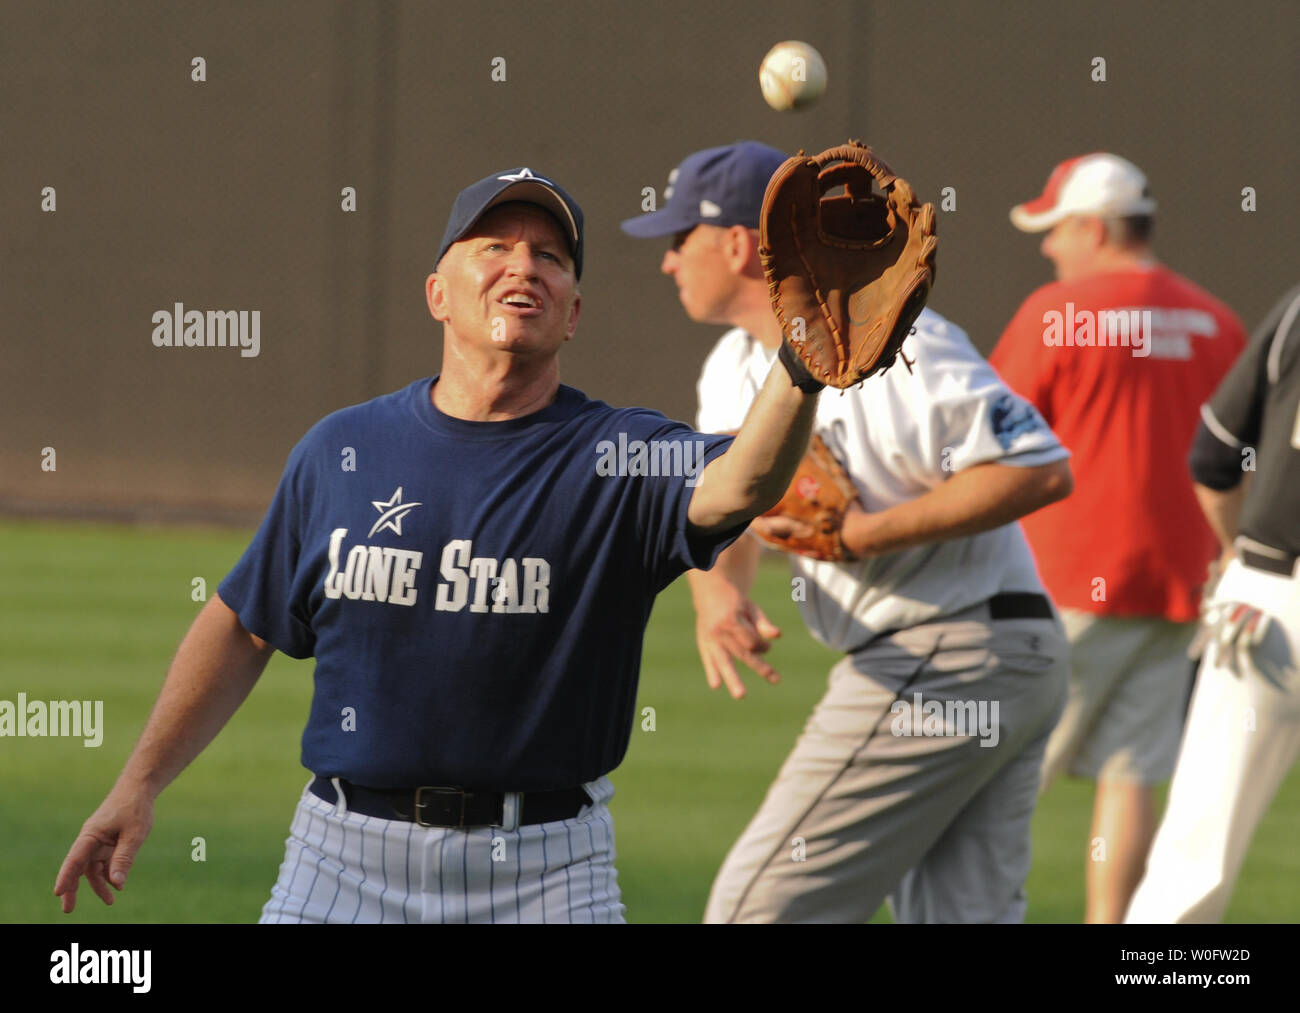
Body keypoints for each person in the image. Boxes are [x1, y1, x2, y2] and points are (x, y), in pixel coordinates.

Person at [53, 165, 823, 924]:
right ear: (437, 295)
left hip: (547, 873)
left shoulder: (617, 454)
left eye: (551, 256)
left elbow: (743, 483)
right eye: (493, 245)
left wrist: (802, 359)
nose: (523, 266)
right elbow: (242, 621)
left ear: (574, 311)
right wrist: (139, 783)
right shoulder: (342, 449)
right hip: (342, 860)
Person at [622, 141, 1074, 923]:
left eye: (676, 239)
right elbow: (731, 504)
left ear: (736, 245)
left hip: (948, 652)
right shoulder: (729, 367)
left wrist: (864, 536)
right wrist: (716, 595)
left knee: (755, 908)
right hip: (997, 655)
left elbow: (1038, 468)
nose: (666, 262)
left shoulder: (906, 346)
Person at [989, 152, 1247, 922]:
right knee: (1132, 773)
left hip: (1067, 575)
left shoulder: (1055, 313)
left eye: (1055, 229)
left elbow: (988, 431)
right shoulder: (1215, 320)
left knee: (1001, 775)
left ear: (1093, 229)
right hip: (1179, 580)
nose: (1047, 247)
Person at [1125, 283, 1300, 922]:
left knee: (1192, 861)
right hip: (1266, 595)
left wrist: (1235, 557)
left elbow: (1214, 457)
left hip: (1269, 600)